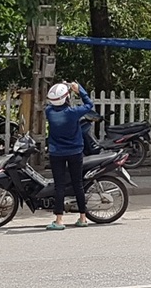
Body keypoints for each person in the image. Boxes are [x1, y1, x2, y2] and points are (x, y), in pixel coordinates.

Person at [44, 81, 93, 231]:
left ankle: (59, 220)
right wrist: (79, 90)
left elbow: (55, 103)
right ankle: (83, 217)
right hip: (75, 152)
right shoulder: (73, 113)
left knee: (59, 186)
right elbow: (89, 104)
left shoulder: (49, 112)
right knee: (78, 184)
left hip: (56, 153)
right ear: (66, 98)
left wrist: (64, 88)